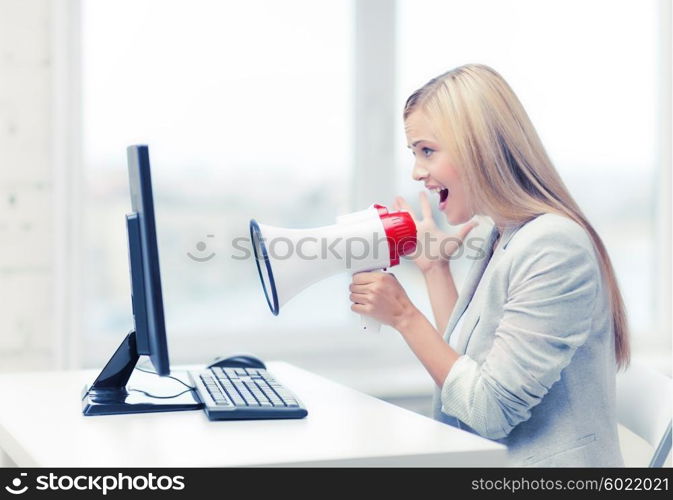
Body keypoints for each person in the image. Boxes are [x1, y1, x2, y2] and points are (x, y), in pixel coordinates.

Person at [349, 64, 629, 467]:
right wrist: (435, 271)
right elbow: (469, 367)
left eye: (427, 150)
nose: (417, 172)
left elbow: (489, 410)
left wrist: (404, 316)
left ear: (478, 146)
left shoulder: (553, 245)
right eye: (415, 154)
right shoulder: (502, 234)